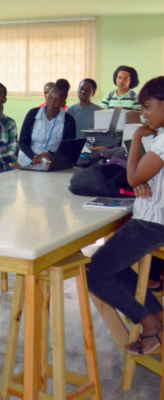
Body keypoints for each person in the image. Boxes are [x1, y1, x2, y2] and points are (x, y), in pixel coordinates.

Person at [86, 76, 164, 355]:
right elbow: (143, 175)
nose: (143, 114)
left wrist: (138, 137)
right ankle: (159, 317)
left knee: (93, 272)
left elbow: (132, 178)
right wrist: (143, 179)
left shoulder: (162, 140)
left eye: (148, 107)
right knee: (114, 266)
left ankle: (149, 324)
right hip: (155, 219)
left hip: (153, 224)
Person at [18, 85, 76, 166]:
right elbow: (22, 141)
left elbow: (68, 148)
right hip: (28, 156)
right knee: (15, 168)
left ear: (63, 103)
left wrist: (51, 155)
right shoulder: (32, 114)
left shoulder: (69, 120)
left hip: (52, 160)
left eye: (57, 100)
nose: (52, 102)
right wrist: (33, 157)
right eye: (50, 98)